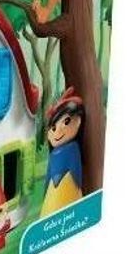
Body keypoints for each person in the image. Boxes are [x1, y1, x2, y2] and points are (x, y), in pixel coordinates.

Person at [40, 87, 85, 217]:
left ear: (78, 122)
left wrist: (78, 189)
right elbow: (49, 174)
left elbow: (77, 172)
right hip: (52, 191)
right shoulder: (53, 154)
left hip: (68, 186)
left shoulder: (73, 148)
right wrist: (45, 193)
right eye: (53, 128)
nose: (57, 132)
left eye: (66, 122)